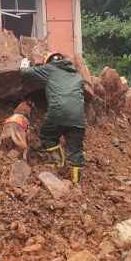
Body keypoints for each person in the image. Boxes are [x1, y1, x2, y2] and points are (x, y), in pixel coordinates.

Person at [20, 52, 86, 185]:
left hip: (58, 113)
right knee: (75, 151)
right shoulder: (77, 76)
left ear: (49, 61)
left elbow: (26, 73)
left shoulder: (50, 68)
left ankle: (58, 163)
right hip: (78, 119)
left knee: (47, 136)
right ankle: (76, 185)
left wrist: (24, 63)